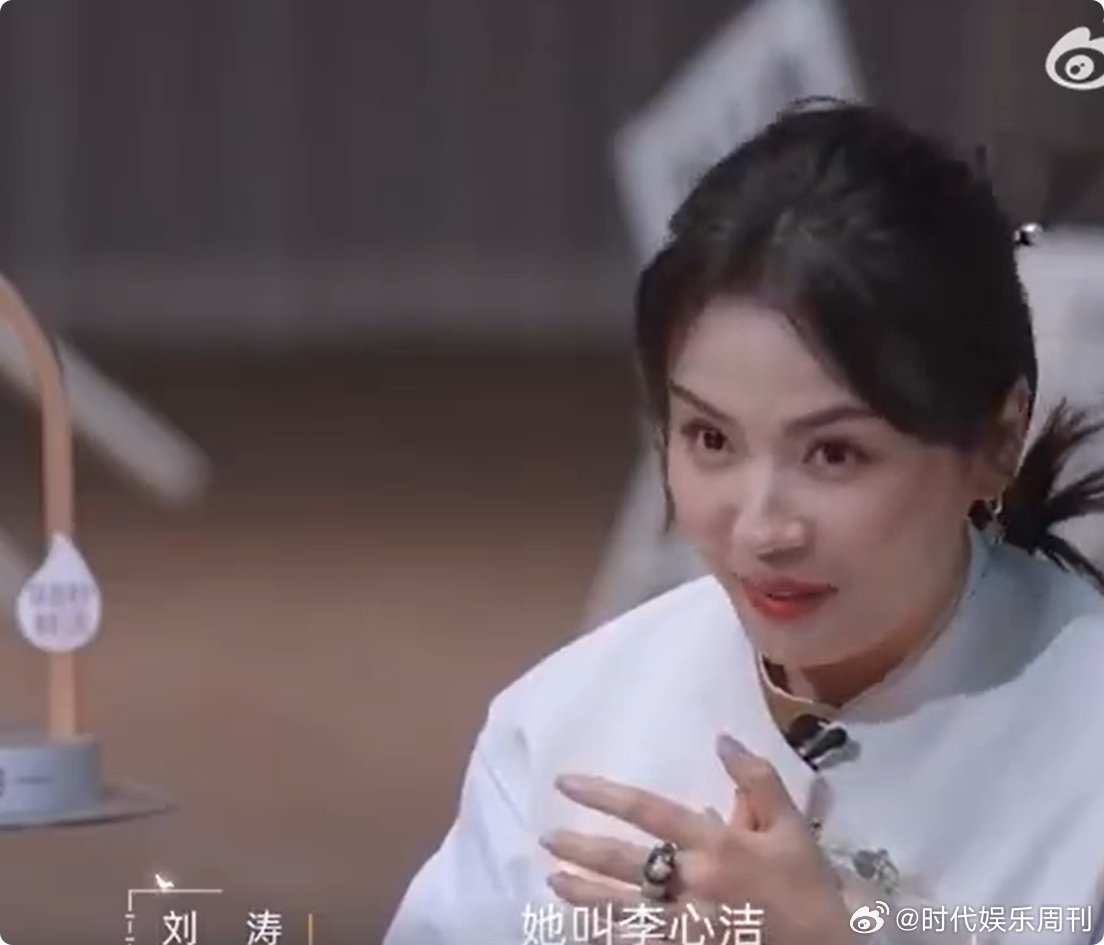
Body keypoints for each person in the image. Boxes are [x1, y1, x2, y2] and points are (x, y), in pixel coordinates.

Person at [382, 101, 1104, 945]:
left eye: (834, 453)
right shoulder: (566, 724)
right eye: (711, 439)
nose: (762, 530)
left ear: (997, 438)